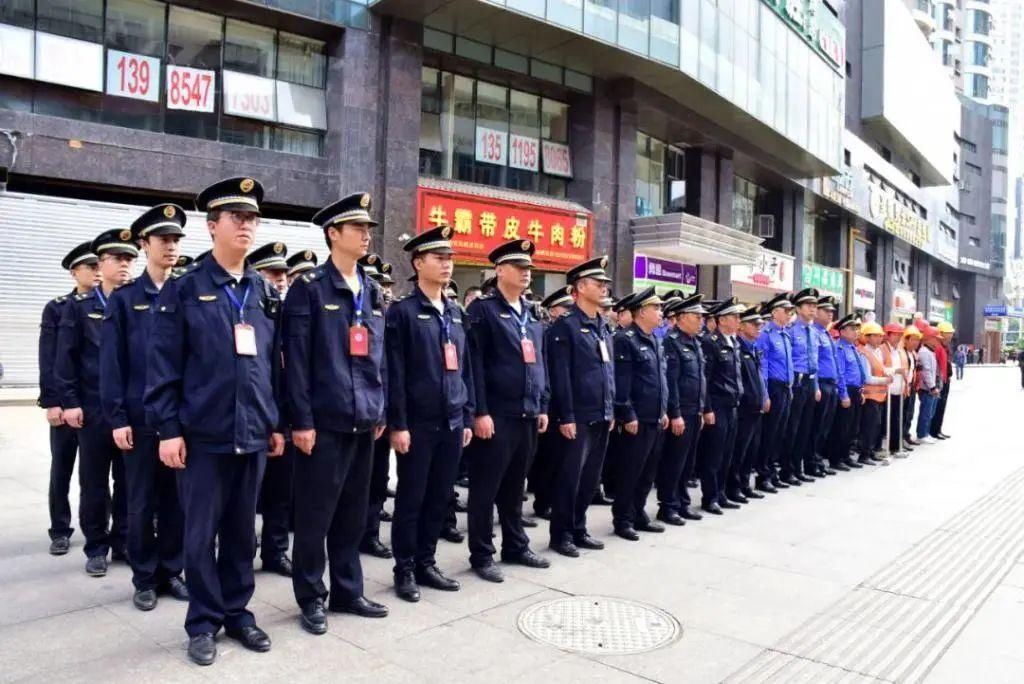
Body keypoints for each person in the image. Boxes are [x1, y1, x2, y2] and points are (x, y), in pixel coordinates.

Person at [145, 177, 284, 665]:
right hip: (202, 435)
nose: (247, 225)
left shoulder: (263, 292)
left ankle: (237, 612)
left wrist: (274, 422)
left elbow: (272, 364)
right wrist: (167, 430)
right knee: (201, 534)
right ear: (212, 227)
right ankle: (203, 620)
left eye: (252, 218)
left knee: (243, 531)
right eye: (236, 217)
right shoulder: (186, 289)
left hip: (252, 433)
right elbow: (162, 366)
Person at [283, 193, 390, 636]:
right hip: (323, 423)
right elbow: (296, 361)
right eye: (357, 229)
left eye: (367, 229)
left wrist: (380, 405)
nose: (366, 235)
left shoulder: (371, 288)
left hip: (364, 419)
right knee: (315, 514)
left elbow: (377, 356)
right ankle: (311, 596)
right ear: (333, 234)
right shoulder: (309, 288)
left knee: (352, 512)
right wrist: (302, 421)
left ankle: (348, 589)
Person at [100, 204, 188, 611]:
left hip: (178, 419)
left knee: (176, 499)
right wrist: (117, 417)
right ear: (144, 244)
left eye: (175, 240)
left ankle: (172, 568)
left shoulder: (187, 292)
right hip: (138, 418)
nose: (170, 247)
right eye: (162, 240)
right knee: (140, 499)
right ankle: (144, 576)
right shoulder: (125, 299)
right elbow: (112, 364)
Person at [385, 225, 474, 602]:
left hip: (452, 422)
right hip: (418, 425)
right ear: (418, 262)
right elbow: (395, 372)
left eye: (450, 258)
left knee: (440, 496)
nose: (447, 264)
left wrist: (467, 415)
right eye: (439, 258)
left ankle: (427, 560)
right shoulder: (404, 312)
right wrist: (399, 424)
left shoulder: (454, 313)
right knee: (411, 497)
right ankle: (404, 567)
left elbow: (464, 368)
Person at [465, 239, 551, 583]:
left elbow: (538, 362)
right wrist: (480, 411)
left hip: (527, 414)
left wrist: (542, 404)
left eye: (529, 268)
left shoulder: (531, 312)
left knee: (516, 486)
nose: (526, 273)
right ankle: (482, 553)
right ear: (500, 270)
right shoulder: (483, 311)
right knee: (486, 488)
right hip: (497, 415)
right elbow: (475, 365)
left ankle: (515, 544)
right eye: (519, 267)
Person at [55, 230, 135, 577]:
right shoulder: (80, 307)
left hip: (130, 411)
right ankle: (96, 546)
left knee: (129, 482)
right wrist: (69, 402)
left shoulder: (137, 303)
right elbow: (65, 359)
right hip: (92, 410)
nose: (125, 266)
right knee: (94, 482)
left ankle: (124, 541)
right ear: (100, 265)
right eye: (118, 259)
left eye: (130, 259)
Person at [545, 257, 615, 557]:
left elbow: (608, 371)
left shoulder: (602, 325)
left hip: (601, 413)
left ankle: (578, 527)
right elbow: (560, 375)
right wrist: (566, 416)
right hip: (577, 416)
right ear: (579, 288)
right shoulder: (566, 327)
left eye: (604, 283)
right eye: (597, 283)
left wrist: (610, 409)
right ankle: (561, 535)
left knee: (590, 479)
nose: (603, 287)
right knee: (569, 478)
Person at [39, 242, 97, 555]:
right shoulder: (58, 307)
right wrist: (52, 402)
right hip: (64, 403)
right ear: (75, 272)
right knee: (62, 466)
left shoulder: (107, 303)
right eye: (90, 267)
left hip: (94, 405)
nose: (97, 271)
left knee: (94, 473)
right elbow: (49, 357)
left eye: (98, 265)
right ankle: (60, 529)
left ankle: (100, 527)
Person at [248, 241, 295, 577]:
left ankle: (276, 552)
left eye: (283, 274)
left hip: (287, 417)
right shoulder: (251, 312)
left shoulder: (295, 312)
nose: (279, 280)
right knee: (247, 494)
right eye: (271, 274)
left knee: (281, 491)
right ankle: (243, 549)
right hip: (255, 414)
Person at [611, 287, 669, 537]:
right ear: (642, 311)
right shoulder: (626, 339)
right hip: (637, 418)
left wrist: (664, 409)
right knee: (630, 471)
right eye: (656, 308)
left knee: (648, 471)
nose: (660, 312)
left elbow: (660, 379)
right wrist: (628, 413)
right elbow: (622, 382)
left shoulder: (654, 339)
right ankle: (623, 518)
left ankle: (639, 512)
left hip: (655, 415)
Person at [656, 294, 707, 524]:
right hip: (681, 411)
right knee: (674, 461)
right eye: (697, 317)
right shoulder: (672, 342)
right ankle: (668, 506)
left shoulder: (694, 342)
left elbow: (700, 379)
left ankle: (682, 502)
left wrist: (703, 409)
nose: (701, 321)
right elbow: (672, 382)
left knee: (688, 461)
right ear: (682, 318)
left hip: (695, 410)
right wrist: (675, 413)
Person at [358, 253, 396, 561]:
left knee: (378, 477)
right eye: (376, 283)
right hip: (354, 410)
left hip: (380, 411)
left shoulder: (387, 314)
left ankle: (369, 533)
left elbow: (388, 366)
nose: (382, 290)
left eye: (385, 285)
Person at [528, 286, 578, 522]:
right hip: (550, 406)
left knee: (557, 461)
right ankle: (542, 500)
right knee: (545, 459)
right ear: (552, 310)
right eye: (564, 308)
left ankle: (549, 500)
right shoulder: (548, 331)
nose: (568, 312)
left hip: (557, 405)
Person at [696, 297, 745, 514]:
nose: (738, 320)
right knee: (713, 454)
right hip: (717, 405)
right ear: (722, 320)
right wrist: (707, 408)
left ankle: (721, 493)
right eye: (735, 317)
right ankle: (710, 496)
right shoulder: (711, 342)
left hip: (732, 405)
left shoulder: (734, 342)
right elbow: (705, 378)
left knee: (727, 453)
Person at [754, 293, 794, 492]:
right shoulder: (765, 334)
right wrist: (765, 394)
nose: (789, 315)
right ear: (775, 312)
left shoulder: (785, 334)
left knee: (779, 433)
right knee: (768, 433)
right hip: (773, 388)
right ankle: (763, 475)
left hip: (786, 388)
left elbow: (789, 365)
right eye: (786, 311)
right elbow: (763, 366)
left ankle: (772, 470)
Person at [729, 306, 768, 502]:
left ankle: (744, 484)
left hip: (755, 407)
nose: (758, 328)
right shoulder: (738, 347)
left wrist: (764, 397)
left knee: (751, 448)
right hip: (743, 407)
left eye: (760, 324)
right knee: (739, 450)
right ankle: (734, 487)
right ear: (742, 327)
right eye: (754, 324)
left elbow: (759, 378)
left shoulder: (753, 348)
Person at [782, 288, 821, 485]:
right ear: (797, 308)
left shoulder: (814, 332)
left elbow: (815, 363)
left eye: (815, 306)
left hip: (809, 381)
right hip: (795, 382)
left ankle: (798, 468)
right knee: (793, 428)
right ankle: (787, 470)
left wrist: (816, 386)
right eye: (809, 306)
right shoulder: (790, 330)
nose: (813, 309)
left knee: (805, 427)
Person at [827, 315, 864, 471]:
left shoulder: (852, 348)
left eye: (856, 329)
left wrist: (861, 389)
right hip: (846, 389)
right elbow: (840, 373)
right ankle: (836, 458)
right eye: (852, 329)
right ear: (842, 331)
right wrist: (843, 394)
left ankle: (846, 455)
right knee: (842, 426)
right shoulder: (840, 348)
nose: (856, 332)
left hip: (855, 390)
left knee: (852, 426)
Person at [856, 322, 893, 467]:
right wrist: (885, 380)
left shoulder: (878, 352)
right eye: (876, 336)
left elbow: (882, 369)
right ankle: (864, 454)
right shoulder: (864, 353)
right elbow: (867, 378)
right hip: (870, 396)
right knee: (868, 427)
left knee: (876, 426)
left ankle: (870, 452)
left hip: (880, 396)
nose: (879, 339)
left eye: (880, 336)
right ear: (868, 337)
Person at [882, 323, 911, 459]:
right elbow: (882, 368)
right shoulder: (883, 349)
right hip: (885, 390)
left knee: (896, 419)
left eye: (900, 335)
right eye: (895, 334)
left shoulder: (898, 350)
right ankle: (884, 447)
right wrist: (896, 371)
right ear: (888, 335)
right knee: (886, 420)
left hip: (898, 389)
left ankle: (895, 446)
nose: (898, 337)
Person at [915, 327, 942, 444]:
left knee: (930, 411)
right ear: (930, 339)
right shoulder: (924, 352)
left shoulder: (930, 351)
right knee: (926, 412)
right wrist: (932, 387)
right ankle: (922, 434)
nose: (938, 341)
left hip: (931, 387)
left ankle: (925, 433)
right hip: (927, 388)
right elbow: (926, 371)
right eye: (936, 339)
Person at [929, 322, 954, 440]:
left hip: (945, 379)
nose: (949, 337)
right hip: (940, 380)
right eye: (947, 334)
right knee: (937, 407)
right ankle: (933, 431)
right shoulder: (937, 348)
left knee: (942, 406)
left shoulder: (945, 347)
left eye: (951, 334)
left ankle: (938, 429)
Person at [901, 326, 922, 446]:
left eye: (917, 340)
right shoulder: (902, 352)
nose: (916, 342)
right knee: (902, 414)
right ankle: (900, 438)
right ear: (906, 340)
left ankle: (906, 434)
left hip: (912, 387)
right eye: (913, 339)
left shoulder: (914, 353)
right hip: (904, 388)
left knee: (910, 413)